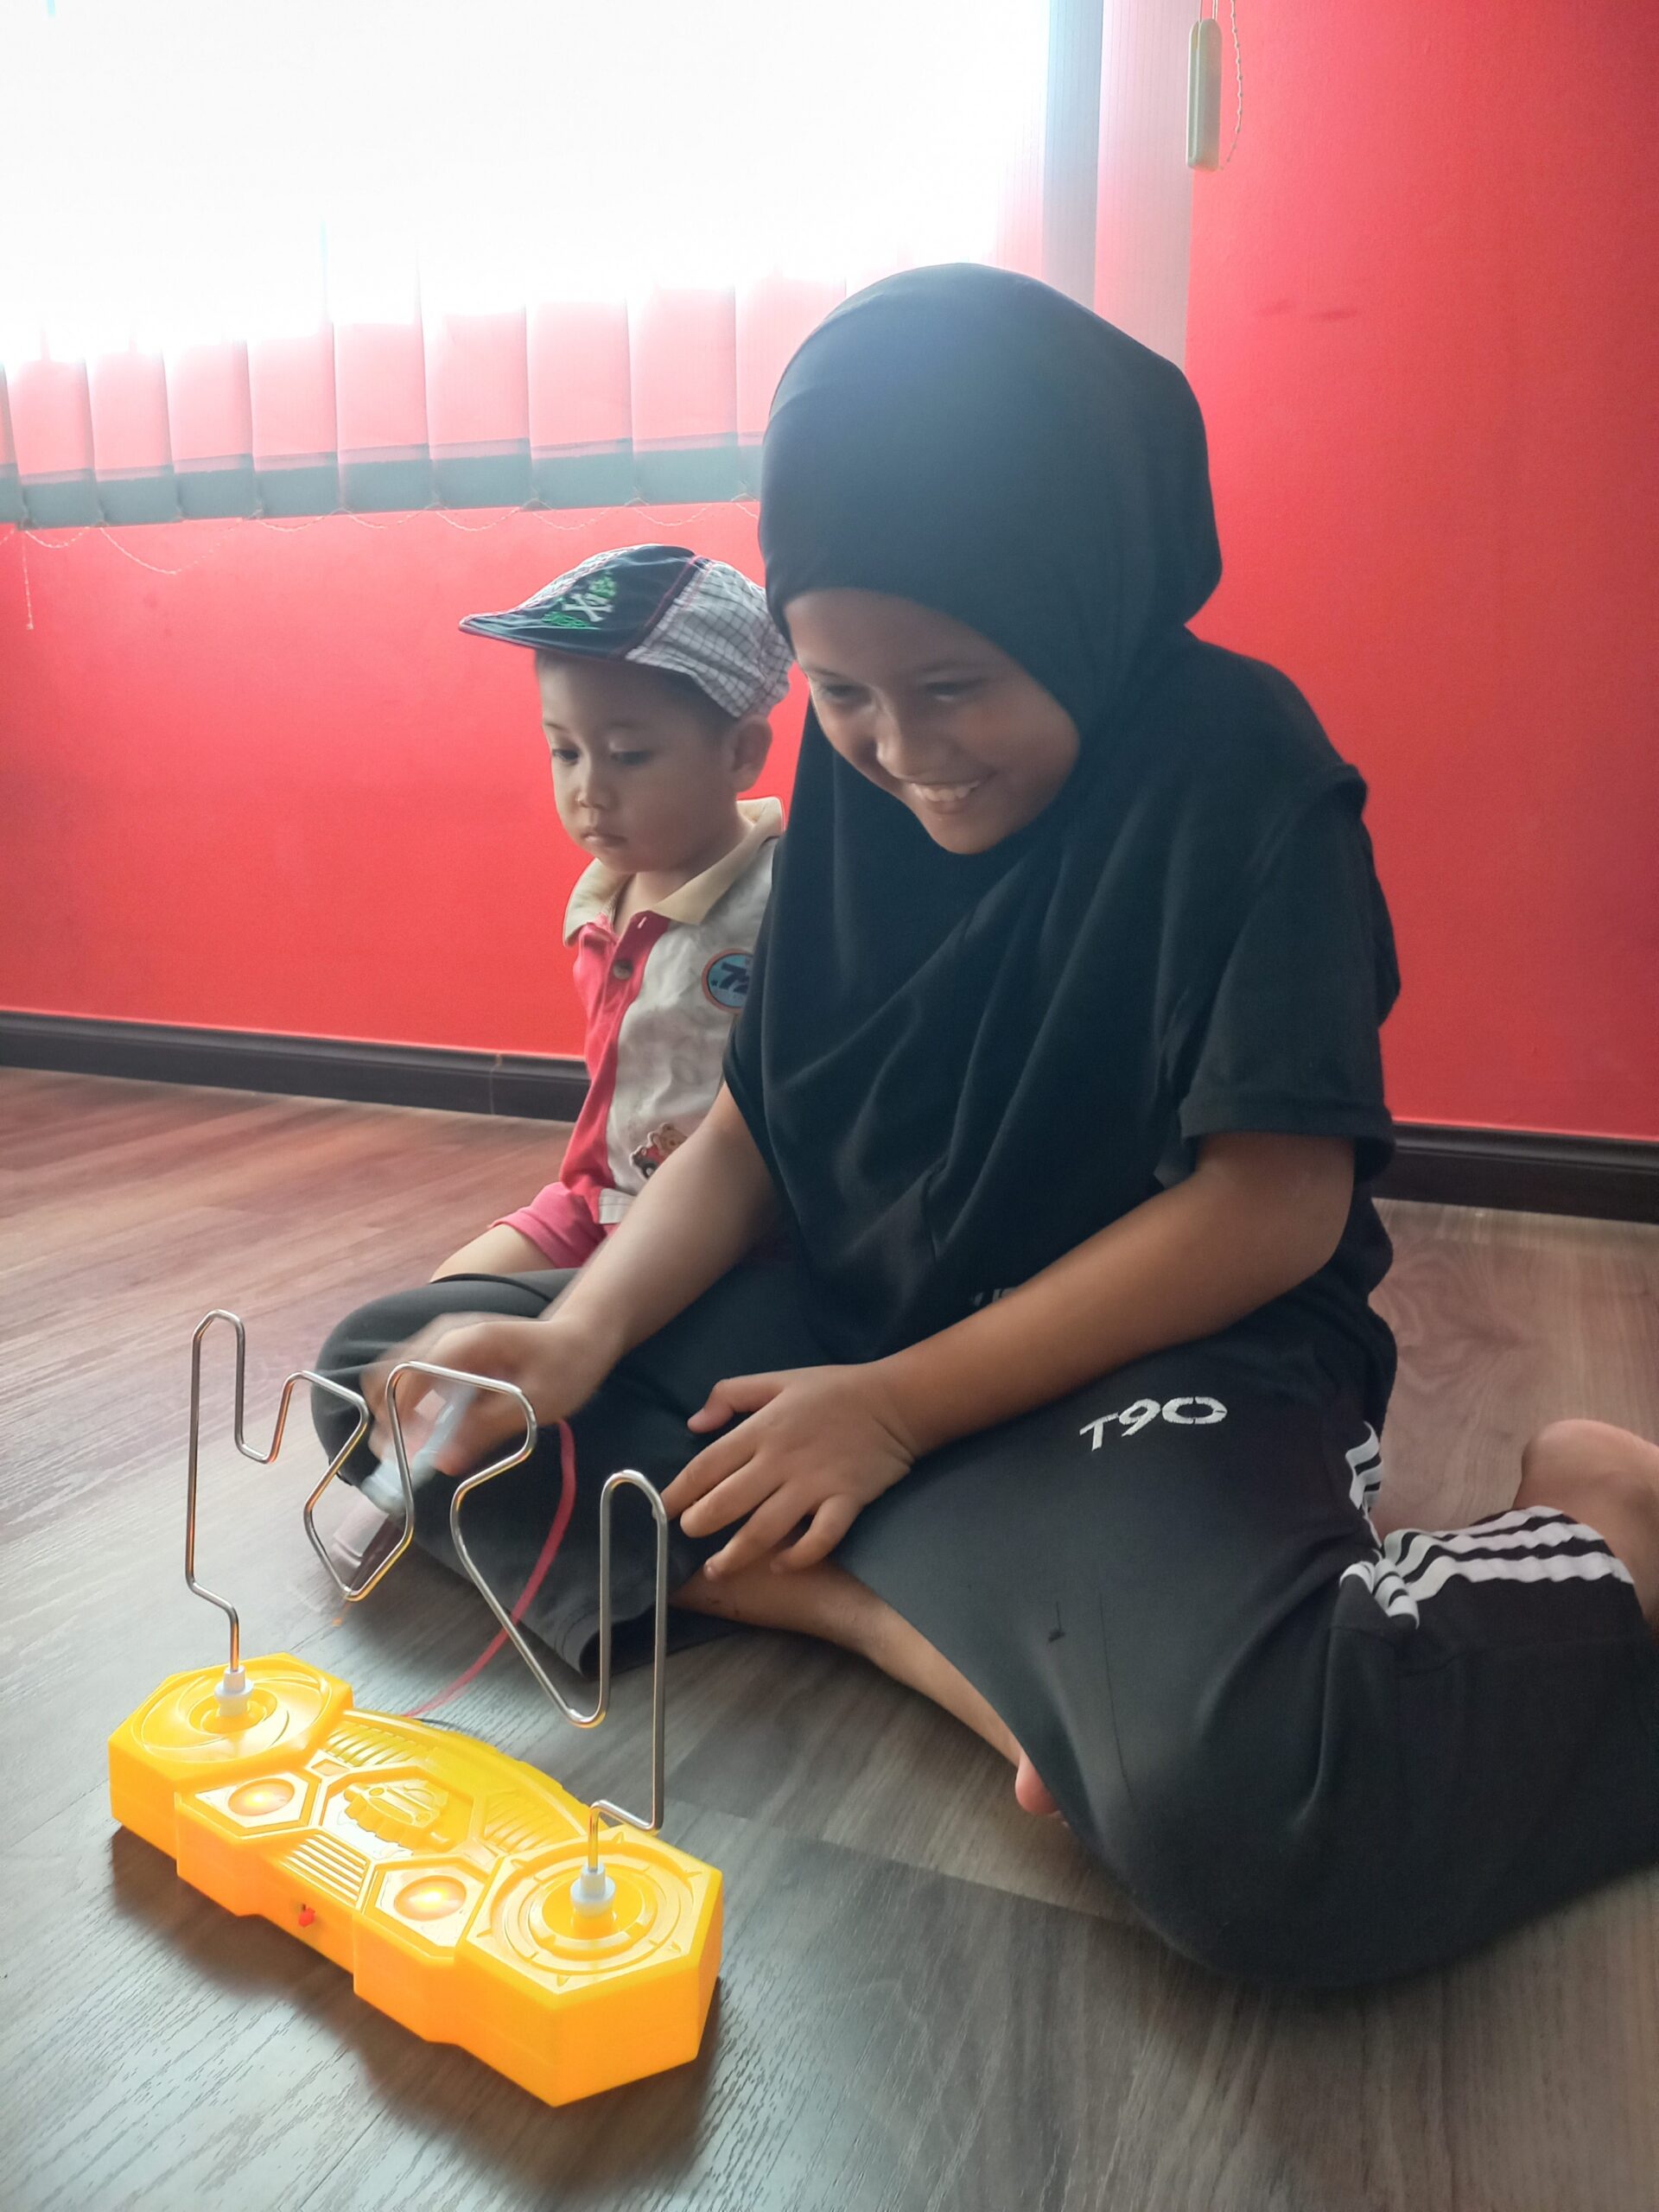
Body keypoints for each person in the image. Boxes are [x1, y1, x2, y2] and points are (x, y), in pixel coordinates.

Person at [315, 266, 1659, 1986]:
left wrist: (894, 1414)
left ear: (1081, 594)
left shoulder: (1244, 770)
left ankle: (1601, 1524)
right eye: (843, 695)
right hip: (863, 1324)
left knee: (1262, 1812)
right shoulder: (858, 773)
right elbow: (761, 1122)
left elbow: (1271, 1209)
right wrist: (576, 1334)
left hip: (1146, 1355)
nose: (901, 752)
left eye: (952, 685)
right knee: (400, 1380)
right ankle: (916, 1624)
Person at [435, 543, 791, 1281]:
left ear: (740, 753)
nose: (589, 791)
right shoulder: (602, 896)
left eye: (628, 756)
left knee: (585, 1345)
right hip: (594, 1202)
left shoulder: (785, 898)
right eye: (565, 752)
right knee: (434, 1308)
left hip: (733, 1229)